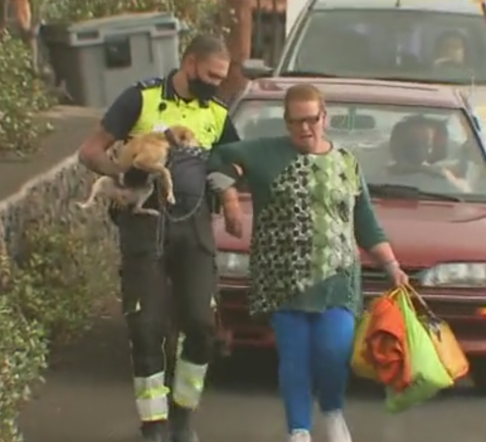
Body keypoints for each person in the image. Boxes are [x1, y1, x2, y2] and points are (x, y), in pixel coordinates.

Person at [207, 84, 409, 442]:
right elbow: (216, 159)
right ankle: (299, 429)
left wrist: (392, 265)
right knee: (295, 357)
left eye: (311, 119)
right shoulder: (265, 153)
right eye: (296, 121)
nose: (305, 128)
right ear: (286, 122)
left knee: (334, 352)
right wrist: (230, 197)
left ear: (324, 118)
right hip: (284, 280)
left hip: (337, 279)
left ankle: (332, 412)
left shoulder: (346, 162)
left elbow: (365, 222)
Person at [77, 34, 240, 442]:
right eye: (210, 75)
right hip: (145, 224)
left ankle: (183, 416)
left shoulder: (217, 112)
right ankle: (153, 425)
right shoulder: (142, 98)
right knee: (146, 326)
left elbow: (232, 161)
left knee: (201, 325)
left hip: (195, 226)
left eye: (221, 78)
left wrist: (230, 198)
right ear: (190, 63)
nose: (216, 84)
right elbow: (90, 151)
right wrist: (120, 174)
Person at [388, 116, 471, 192]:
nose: (420, 149)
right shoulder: (440, 181)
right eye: (415, 143)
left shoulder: (381, 179)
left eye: (426, 144)